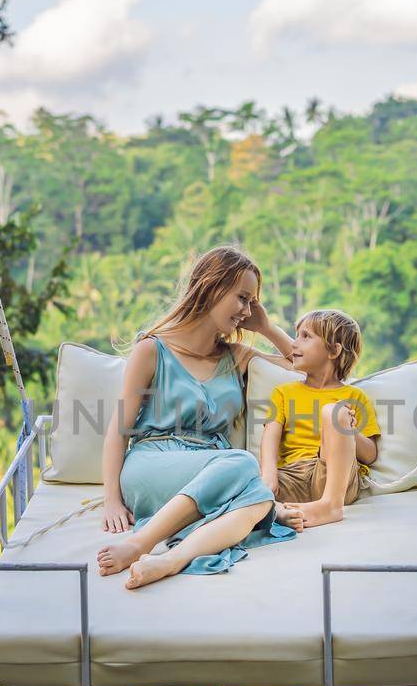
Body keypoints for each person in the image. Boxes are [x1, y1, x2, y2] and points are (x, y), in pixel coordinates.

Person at [95, 246, 305, 590]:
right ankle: (139, 544)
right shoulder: (151, 350)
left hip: (212, 467)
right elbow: (118, 432)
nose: (246, 310)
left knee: (259, 495)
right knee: (244, 465)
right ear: (212, 286)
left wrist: (265, 327)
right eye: (241, 298)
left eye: (252, 302)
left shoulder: (234, 356)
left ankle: (170, 560)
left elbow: (302, 366)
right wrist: (111, 500)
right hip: (152, 464)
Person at [258, 309, 380, 529]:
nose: (294, 344)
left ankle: (331, 506)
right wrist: (269, 475)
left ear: (333, 350)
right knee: (242, 481)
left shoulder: (354, 397)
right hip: (292, 475)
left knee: (334, 412)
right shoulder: (283, 393)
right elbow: (270, 436)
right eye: (297, 335)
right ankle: (280, 511)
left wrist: (348, 428)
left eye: (306, 336)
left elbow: (370, 454)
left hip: (335, 481)